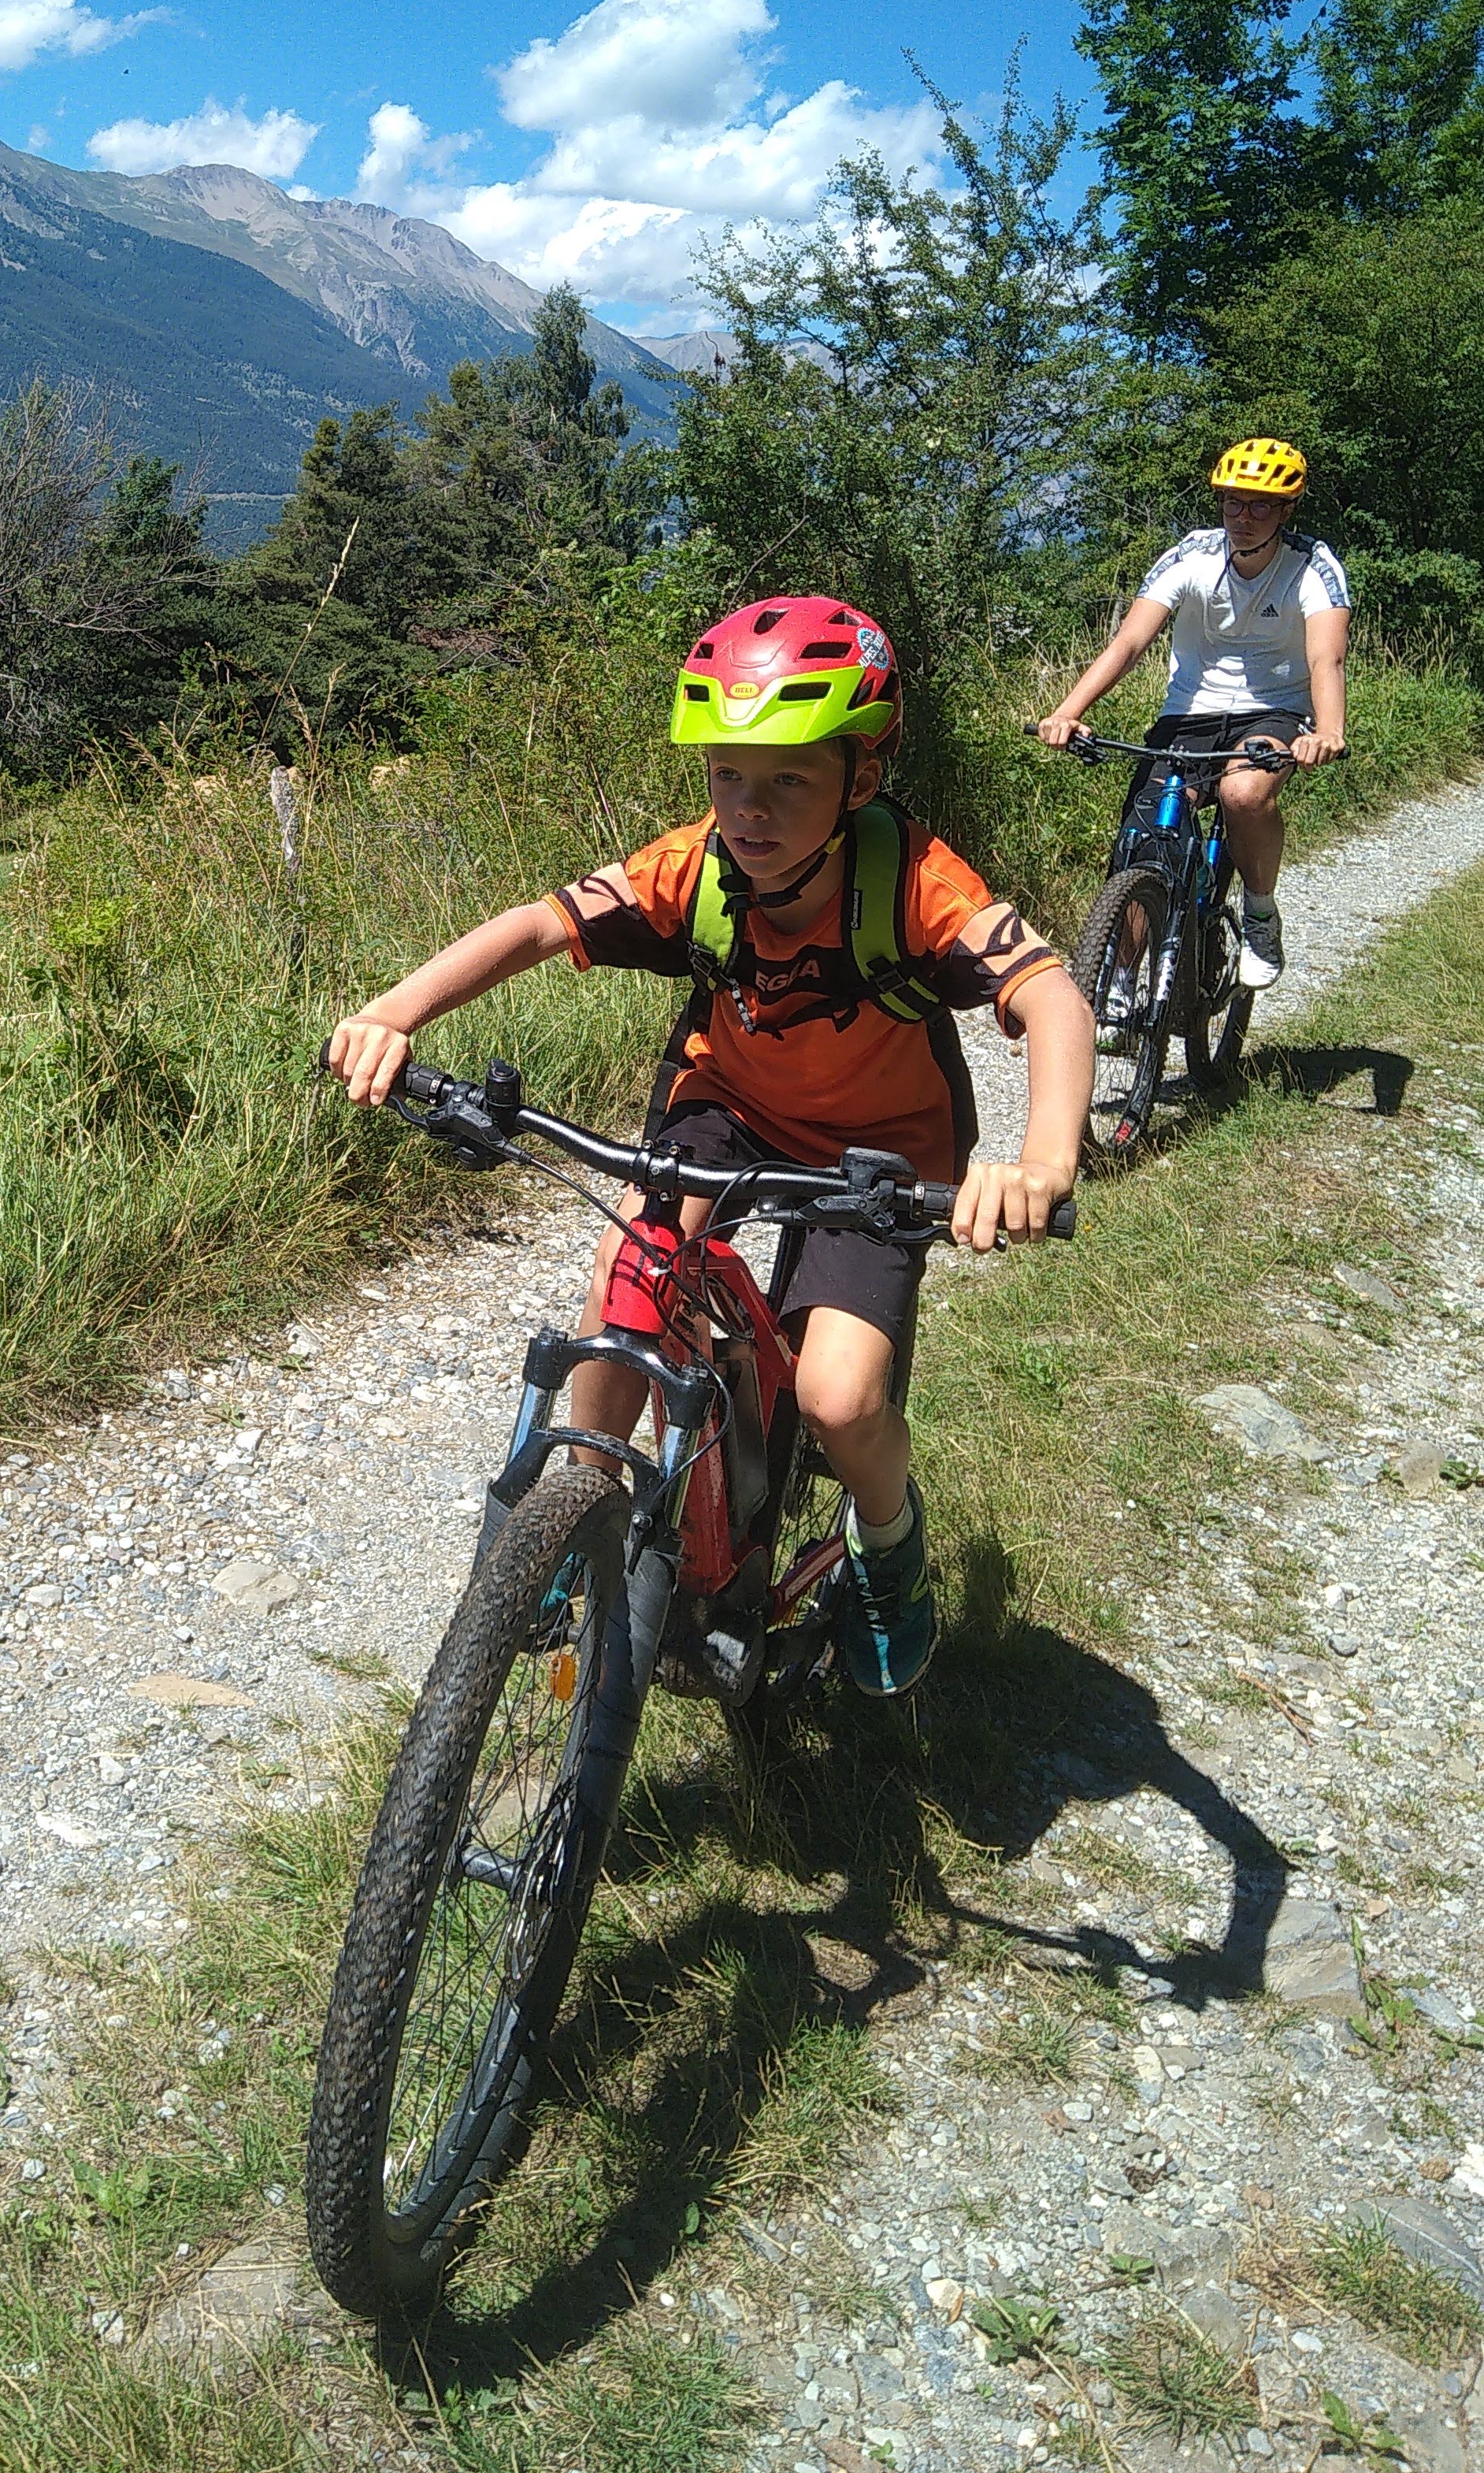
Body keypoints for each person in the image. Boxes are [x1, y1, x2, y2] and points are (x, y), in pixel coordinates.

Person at [325, 597, 1093, 1699]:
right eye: (729, 774)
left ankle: (889, 1543)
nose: (749, 807)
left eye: (788, 779)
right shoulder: (698, 868)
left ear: (859, 783)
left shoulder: (917, 881)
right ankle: (578, 1513)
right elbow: (546, 921)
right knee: (628, 1272)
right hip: (726, 1105)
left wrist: (1043, 1160)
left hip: (879, 1149)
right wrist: (397, 1011)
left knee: (838, 1396)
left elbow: (1054, 999)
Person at [1035, 439, 1350, 989]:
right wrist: (1067, 712)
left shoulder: (1313, 567)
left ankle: (1259, 913)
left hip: (1274, 710)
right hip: (1189, 714)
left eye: (1260, 506)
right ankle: (1120, 982)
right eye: (1233, 502)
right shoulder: (1192, 555)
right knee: (1147, 835)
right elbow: (1128, 644)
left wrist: (1328, 730)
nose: (1243, 517)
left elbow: (1327, 656)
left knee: (1243, 794)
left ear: (1287, 510)